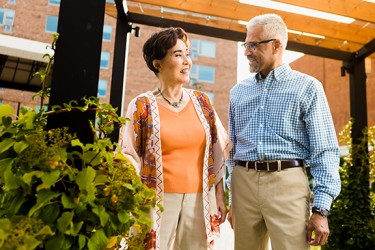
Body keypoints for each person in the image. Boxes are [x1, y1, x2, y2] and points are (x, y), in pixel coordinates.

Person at [226, 14, 341, 250]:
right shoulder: (238, 92)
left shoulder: (308, 87)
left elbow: (325, 150)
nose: (246, 51)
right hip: (243, 185)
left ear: (276, 45)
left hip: (287, 184)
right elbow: (232, 149)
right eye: (245, 44)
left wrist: (320, 209)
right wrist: (232, 199)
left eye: (253, 44)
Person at [119, 27, 229, 250]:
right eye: (178, 55)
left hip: (198, 202)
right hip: (155, 202)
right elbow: (128, 155)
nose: (187, 61)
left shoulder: (202, 103)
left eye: (188, 54)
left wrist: (220, 195)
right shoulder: (141, 106)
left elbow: (219, 151)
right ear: (157, 63)